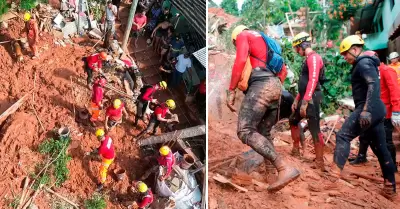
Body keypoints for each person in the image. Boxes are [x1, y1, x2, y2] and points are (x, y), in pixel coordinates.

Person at [314, 35, 397, 200]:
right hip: (377, 109)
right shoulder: (368, 62)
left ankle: (332, 178)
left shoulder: (363, 63)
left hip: (369, 108)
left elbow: (373, 85)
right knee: (381, 149)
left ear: (355, 49)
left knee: (343, 136)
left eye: (346, 53)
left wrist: (366, 111)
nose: (345, 58)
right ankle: (390, 187)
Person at [226, 25, 299, 193]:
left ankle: (283, 168)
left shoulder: (243, 35)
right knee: (264, 131)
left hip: (262, 85)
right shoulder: (269, 43)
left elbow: (240, 61)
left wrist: (231, 89)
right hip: (276, 86)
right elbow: (284, 71)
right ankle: (272, 174)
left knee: (244, 130)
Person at [349, 51, 400, 172]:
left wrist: (396, 111)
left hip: (385, 112)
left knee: (387, 140)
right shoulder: (371, 71)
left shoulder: (386, 71)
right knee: (365, 134)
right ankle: (361, 157)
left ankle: (392, 168)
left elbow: (394, 91)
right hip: (372, 110)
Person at [289, 32, 326, 171]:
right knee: (293, 119)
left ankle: (320, 162)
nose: (296, 51)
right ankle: (296, 150)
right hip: (305, 96)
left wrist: (305, 101)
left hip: (311, 98)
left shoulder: (314, 58)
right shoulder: (308, 58)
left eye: (296, 48)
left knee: (314, 127)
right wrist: (298, 99)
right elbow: (305, 83)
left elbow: (313, 80)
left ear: (301, 45)